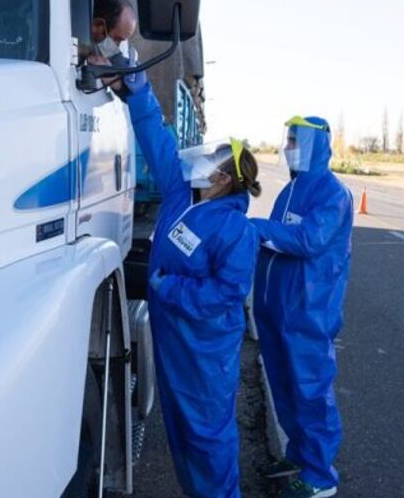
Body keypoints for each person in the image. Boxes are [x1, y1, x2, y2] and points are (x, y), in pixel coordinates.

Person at [112, 71, 261, 498]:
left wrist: (169, 288)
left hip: (204, 350)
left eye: (210, 160)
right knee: (181, 432)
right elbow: (157, 140)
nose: (199, 161)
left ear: (223, 178)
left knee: (207, 436)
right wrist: (138, 91)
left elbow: (225, 294)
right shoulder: (182, 195)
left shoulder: (235, 229)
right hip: (174, 340)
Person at [251, 116, 353, 498]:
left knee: (311, 392)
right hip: (277, 310)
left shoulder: (332, 193)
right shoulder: (291, 190)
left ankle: (320, 476)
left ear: (314, 144)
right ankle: (298, 456)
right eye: (288, 139)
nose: (288, 147)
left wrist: (258, 229)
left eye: (295, 140)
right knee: (284, 388)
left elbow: (309, 240)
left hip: (308, 312)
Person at [89, 0, 137, 67]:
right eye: (117, 39)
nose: (117, 47)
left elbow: (118, 63)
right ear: (98, 26)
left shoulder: (108, 50)